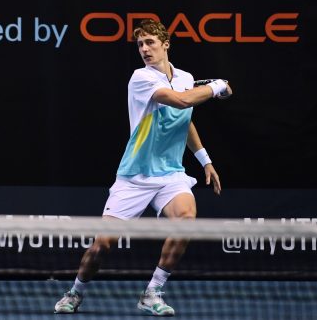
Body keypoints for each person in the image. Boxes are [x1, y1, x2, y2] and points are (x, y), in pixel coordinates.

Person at [54, 19, 231, 316]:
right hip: (134, 177)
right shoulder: (140, 78)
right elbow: (181, 101)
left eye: (150, 42)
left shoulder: (186, 76)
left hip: (171, 175)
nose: (145, 49)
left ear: (166, 43)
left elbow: (185, 120)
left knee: (186, 220)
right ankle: (75, 291)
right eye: (140, 44)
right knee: (102, 246)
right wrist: (216, 87)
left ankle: (153, 291)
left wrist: (205, 160)